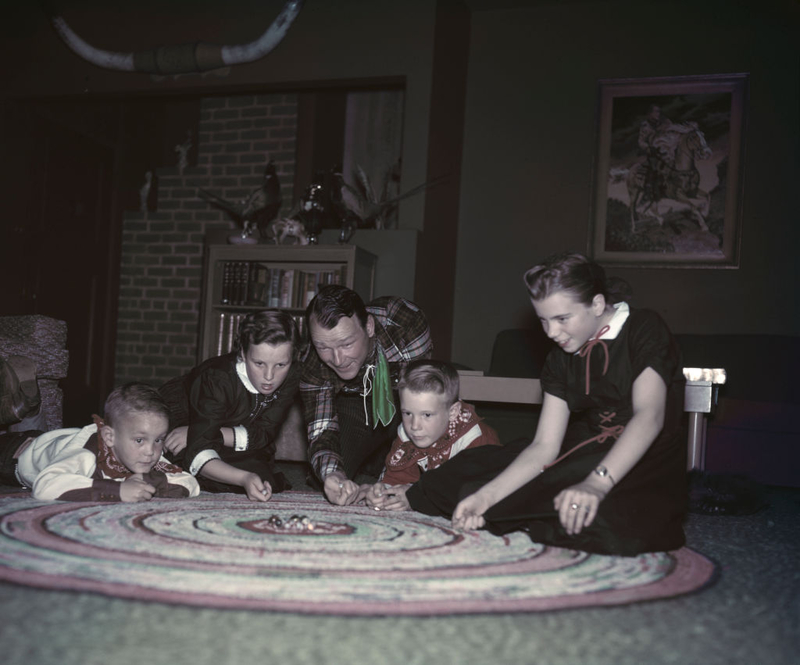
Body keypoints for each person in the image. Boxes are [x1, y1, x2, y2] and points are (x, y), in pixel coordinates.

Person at [406, 252, 687, 556]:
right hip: (584, 447)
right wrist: (485, 498)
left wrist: (596, 483)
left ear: (596, 304)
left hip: (644, 453)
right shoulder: (559, 358)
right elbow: (544, 447)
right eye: (543, 321)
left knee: (609, 525)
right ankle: (537, 512)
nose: (552, 333)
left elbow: (650, 417)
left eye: (562, 319)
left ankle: (542, 513)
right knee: (460, 485)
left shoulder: (643, 328)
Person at [300, 285, 432, 506]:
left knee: (425, 475)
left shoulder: (406, 324)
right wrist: (333, 475)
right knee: (327, 485)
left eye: (347, 344)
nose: (338, 359)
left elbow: (423, 403)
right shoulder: (310, 360)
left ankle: (381, 461)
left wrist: (397, 483)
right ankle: (375, 459)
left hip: (405, 403)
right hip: (354, 404)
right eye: (323, 347)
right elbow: (321, 431)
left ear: (369, 326)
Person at [159, 309, 300, 501]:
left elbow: (263, 434)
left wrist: (204, 433)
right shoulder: (218, 379)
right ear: (242, 352)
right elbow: (199, 450)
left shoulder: (292, 375)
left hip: (216, 429)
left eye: (281, 365)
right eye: (259, 363)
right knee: (185, 460)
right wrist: (244, 478)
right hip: (185, 414)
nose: (269, 376)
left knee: (263, 474)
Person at [0, 382, 199, 501]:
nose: (151, 451)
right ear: (109, 437)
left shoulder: (145, 453)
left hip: (50, 440)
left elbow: (190, 483)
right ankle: (22, 401)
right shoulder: (86, 456)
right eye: (139, 440)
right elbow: (45, 486)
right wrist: (117, 490)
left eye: (159, 440)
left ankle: (28, 405)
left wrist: (145, 481)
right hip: (14, 456)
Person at [364, 359, 501, 511]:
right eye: (407, 413)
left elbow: (477, 495)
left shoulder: (475, 439)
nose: (414, 426)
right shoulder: (409, 434)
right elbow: (397, 478)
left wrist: (416, 497)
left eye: (427, 415)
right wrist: (382, 492)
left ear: (453, 412)